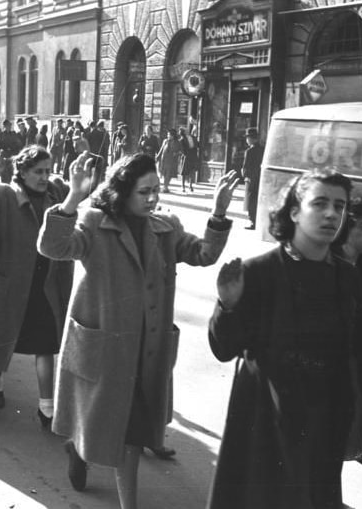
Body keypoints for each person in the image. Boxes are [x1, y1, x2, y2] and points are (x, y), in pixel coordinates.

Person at [207, 168, 362, 509]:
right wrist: (227, 306)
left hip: (323, 422)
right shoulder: (258, 271)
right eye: (320, 203)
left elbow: (358, 345)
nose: (331, 213)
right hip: (266, 424)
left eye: (339, 206)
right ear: (294, 211)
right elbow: (224, 348)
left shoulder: (345, 276)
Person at [38, 153, 239, 508]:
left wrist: (219, 213)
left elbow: (204, 253)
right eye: (144, 192)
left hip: (146, 351)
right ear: (122, 192)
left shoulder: (165, 228)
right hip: (107, 349)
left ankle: (94, 464)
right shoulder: (95, 223)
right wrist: (72, 198)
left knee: (127, 433)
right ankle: (79, 451)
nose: (152, 199)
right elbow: (52, 247)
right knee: (108, 422)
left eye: (156, 190)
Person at [0, 145, 73, 425]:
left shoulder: (55, 193)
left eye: (48, 171)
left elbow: (80, 194)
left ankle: (47, 407)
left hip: (46, 283)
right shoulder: (3, 194)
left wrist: (82, 167)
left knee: (46, 345)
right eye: (38, 172)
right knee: (3, 338)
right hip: (11, 282)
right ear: (22, 172)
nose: (44, 177)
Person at [241, 127, 264, 229]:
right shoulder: (263, 149)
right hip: (261, 178)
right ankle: (258, 220)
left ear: (251, 139)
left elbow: (246, 166)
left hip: (251, 178)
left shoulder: (249, 151)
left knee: (251, 200)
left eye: (247, 138)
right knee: (259, 199)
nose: (247, 140)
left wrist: (245, 176)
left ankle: (252, 220)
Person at [156, 129, 181, 193]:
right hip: (164, 159)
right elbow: (161, 149)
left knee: (169, 174)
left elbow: (180, 151)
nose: (168, 135)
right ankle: (165, 187)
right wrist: (157, 156)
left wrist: (176, 153)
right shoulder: (165, 141)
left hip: (172, 160)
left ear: (173, 135)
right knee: (164, 173)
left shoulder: (177, 142)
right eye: (168, 134)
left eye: (169, 134)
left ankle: (165, 187)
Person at [179, 126, 200, 193]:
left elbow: (197, 144)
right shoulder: (182, 139)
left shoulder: (193, 137)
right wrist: (185, 154)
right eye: (185, 130)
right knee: (184, 172)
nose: (187, 130)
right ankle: (183, 186)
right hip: (186, 156)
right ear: (184, 132)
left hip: (193, 155)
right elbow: (182, 148)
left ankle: (190, 185)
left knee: (192, 170)